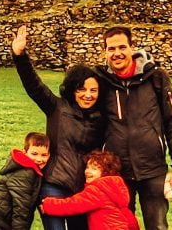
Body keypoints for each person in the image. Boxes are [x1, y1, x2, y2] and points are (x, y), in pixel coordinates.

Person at [12, 25, 106, 230]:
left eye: (93, 90)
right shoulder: (57, 107)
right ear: (73, 90)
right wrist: (20, 56)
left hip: (83, 189)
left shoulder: (101, 119)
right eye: (82, 89)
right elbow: (34, 87)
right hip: (53, 184)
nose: (88, 95)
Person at [94, 26, 172, 230]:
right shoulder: (101, 81)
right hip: (116, 171)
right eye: (111, 49)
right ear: (105, 52)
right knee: (118, 226)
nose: (117, 53)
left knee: (157, 226)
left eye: (122, 47)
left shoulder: (155, 77)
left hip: (152, 169)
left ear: (132, 47)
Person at [41, 150, 140, 230]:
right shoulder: (115, 188)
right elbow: (128, 216)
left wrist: (48, 204)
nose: (87, 171)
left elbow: (73, 205)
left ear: (106, 172)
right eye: (87, 167)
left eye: (94, 168)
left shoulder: (97, 189)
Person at [0, 132, 50, 230]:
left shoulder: (25, 169)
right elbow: (21, 206)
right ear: (24, 152)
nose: (39, 159)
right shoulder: (26, 173)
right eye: (34, 154)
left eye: (44, 155)